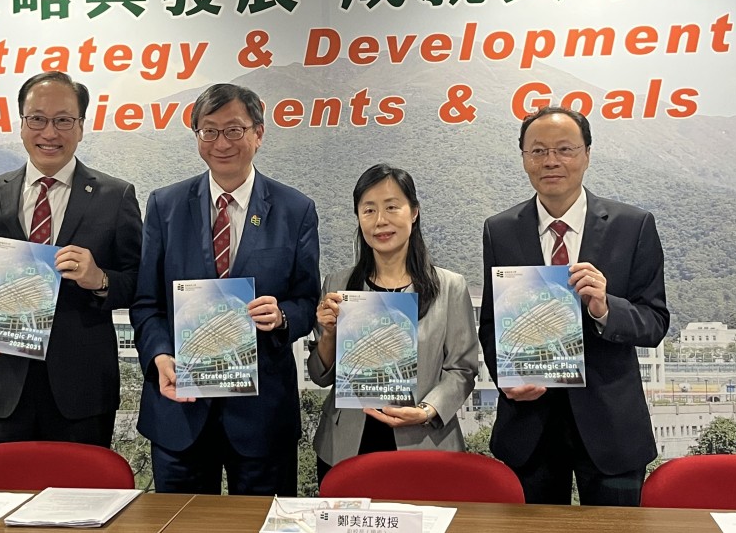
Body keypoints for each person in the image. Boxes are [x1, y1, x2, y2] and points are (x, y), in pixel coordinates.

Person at [131, 82, 320, 495]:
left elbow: (308, 301)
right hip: (180, 409)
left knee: (262, 532)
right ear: (197, 135)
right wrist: (159, 356)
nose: (221, 143)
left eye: (234, 130)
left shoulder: (295, 210)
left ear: (258, 133)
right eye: (209, 130)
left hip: (261, 415)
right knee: (180, 530)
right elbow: (146, 303)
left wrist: (282, 316)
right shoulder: (164, 206)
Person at [479, 106, 669, 506]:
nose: (551, 161)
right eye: (538, 151)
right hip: (529, 428)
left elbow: (654, 322)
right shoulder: (500, 229)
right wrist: (506, 379)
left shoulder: (633, 225)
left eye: (565, 149)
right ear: (524, 158)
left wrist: (604, 308)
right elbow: (492, 325)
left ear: (587, 154)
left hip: (611, 429)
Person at [0, 71, 142, 448]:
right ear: (22, 124)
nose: (49, 132)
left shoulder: (115, 196)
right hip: (0, 387)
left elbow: (139, 282)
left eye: (63, 120)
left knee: (81, 488)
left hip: (82, 392)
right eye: (37, 119)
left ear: (81, 127)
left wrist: (100, 279)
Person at [309, 164, 478, 486]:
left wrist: (427, 410)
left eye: (391, 207)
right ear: (358, 218)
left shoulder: (450, 287)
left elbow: (462, 370)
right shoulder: (338, 284)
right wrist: (329, 335)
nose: (380, 221)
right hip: (345, 446)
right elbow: (320, 375)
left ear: (413, 212)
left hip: (425, 443)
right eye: (369, 210)